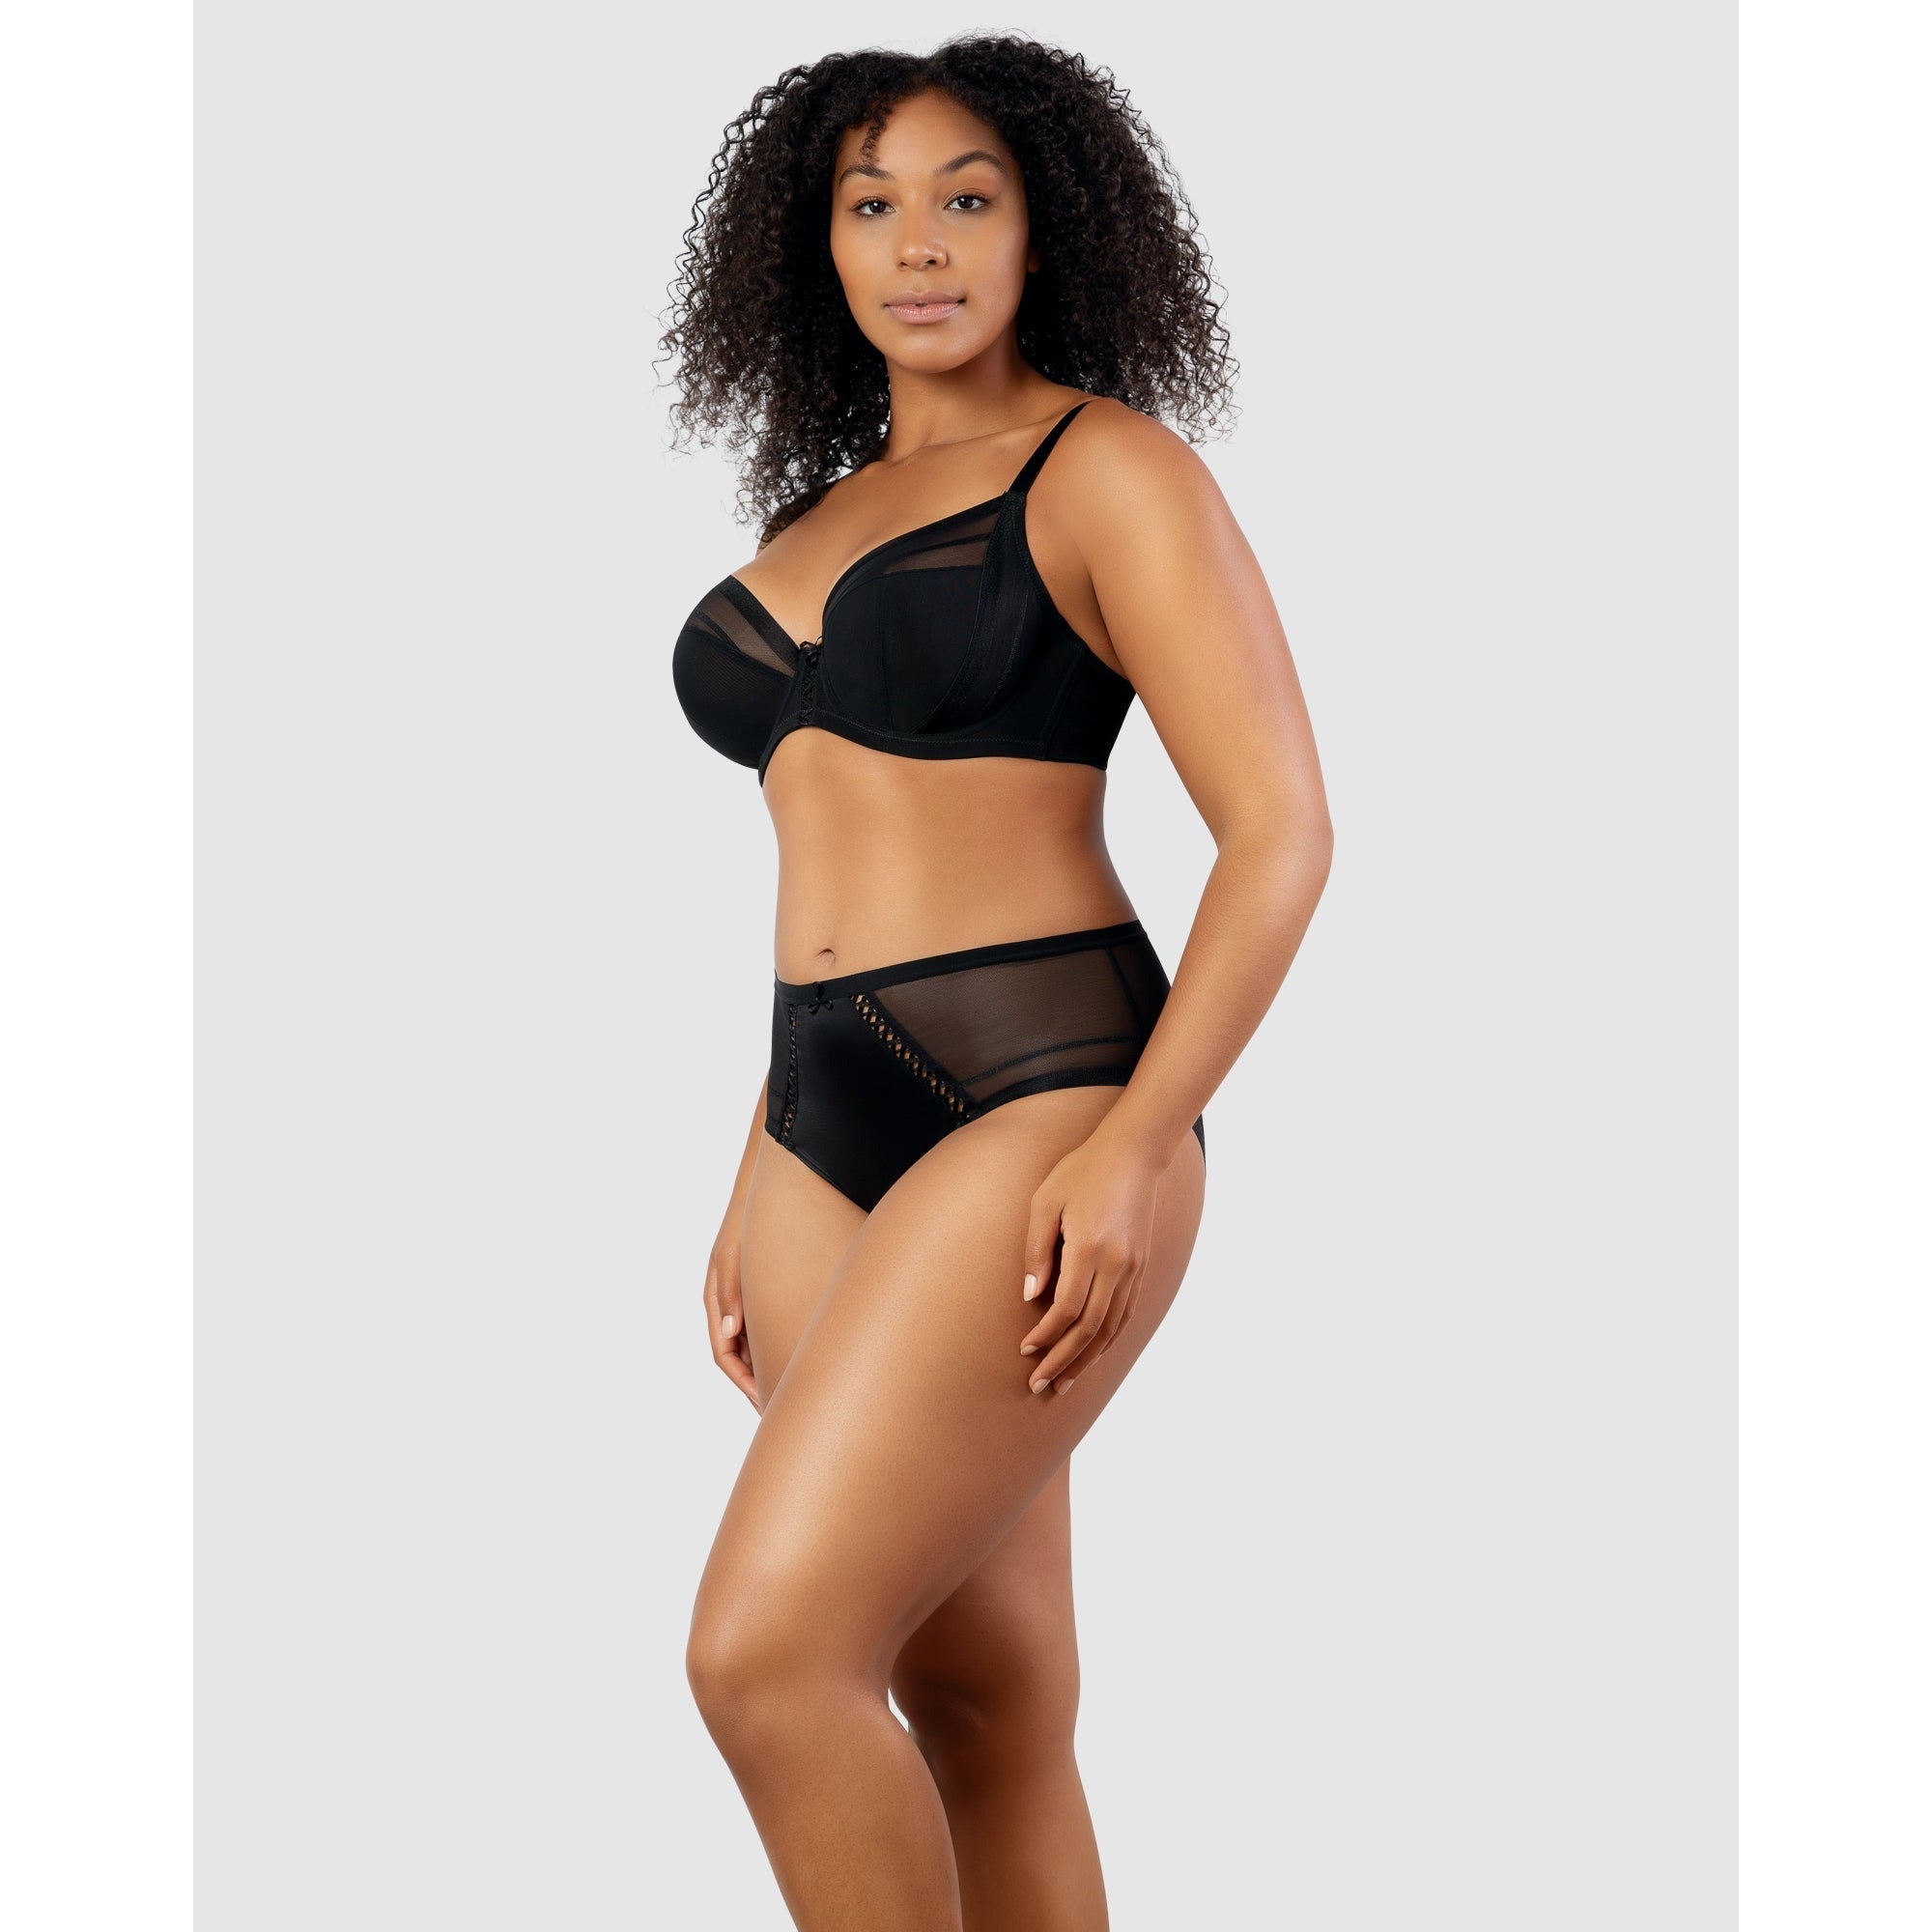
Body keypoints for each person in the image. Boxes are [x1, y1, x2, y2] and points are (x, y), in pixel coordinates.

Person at [662, 35, 1332, 1930]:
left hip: (1047, 1089)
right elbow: (822, 874)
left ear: (1049, 229)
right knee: (987, 1696)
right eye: (871, 203)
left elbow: (1279, 832)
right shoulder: (810, 522)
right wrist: (755, 1156)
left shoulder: (1106, 470)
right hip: (819, 1115)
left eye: (969, 197)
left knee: (767, 1658)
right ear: (816, 246)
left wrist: (1138, 1144)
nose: (921, 243)